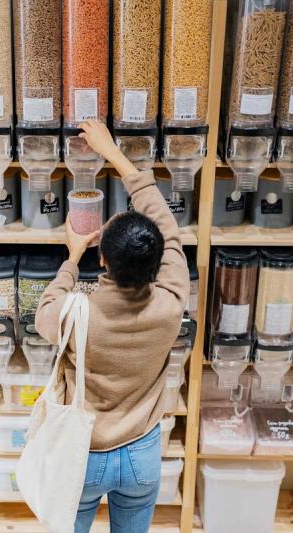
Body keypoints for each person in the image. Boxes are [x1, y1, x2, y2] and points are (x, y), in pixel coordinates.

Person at [35, 119, 190, 533]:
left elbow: (44, 311)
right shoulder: (172, 302)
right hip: (143, 453)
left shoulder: (75, 311)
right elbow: (170, 231)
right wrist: (116, 155)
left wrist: (71, 257)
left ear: (102, 259)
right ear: (158, 261)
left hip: (85, 453)